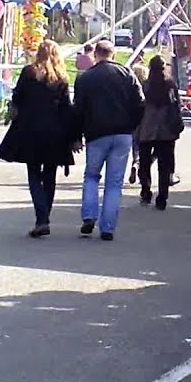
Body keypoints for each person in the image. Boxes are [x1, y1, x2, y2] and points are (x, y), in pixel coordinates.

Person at [0, 40, 77, 238]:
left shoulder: (29, 72)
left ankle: (42, 219)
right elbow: (67, 109)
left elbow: (17, 98)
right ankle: (44, 217)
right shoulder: (61, 78)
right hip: (55, 133)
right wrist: (73, 136)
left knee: (33, 173)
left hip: (30, 130)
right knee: (50, 175)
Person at [72, 40, 144, 241]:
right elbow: (140, 103)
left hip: (96, 134)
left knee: (92, 176)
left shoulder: (85, 78)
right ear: (113, 55)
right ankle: (108, 228)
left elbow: (78, 110)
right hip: (122, 135)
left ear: (96, 55)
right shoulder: (127, 74)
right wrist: (131, 126)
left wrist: (76, 136)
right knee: (114, 183)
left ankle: (88, 216)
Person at [135, 55, 182, 210]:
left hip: (146, 129)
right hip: (166, 130)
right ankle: (162, 197)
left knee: (145, 163)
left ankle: (145, 192)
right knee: (164, 165)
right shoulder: (170, 85)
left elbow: (139, 106)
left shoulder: (145, 86)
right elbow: (176, 106)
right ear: (163, 68)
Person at [128, 52, 151, 184]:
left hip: (134, 123)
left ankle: (136, 163)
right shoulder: (149, 88)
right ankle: (140, 166)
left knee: (136, 146)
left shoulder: (131, 88)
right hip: (148, 122)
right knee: (149, 148)